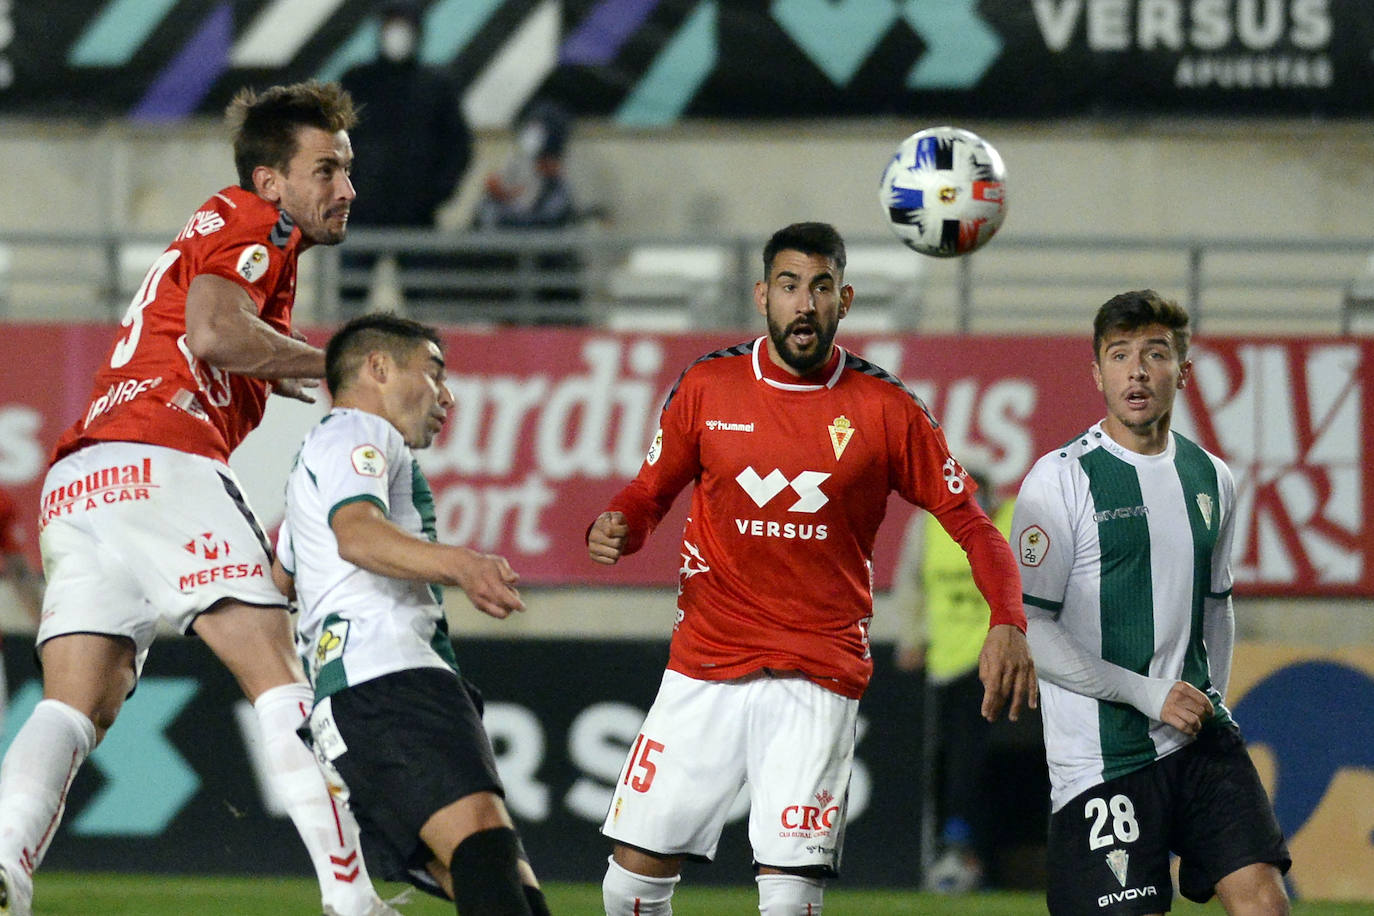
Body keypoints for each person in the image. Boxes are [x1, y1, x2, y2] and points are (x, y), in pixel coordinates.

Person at [0, 82, 400, 916]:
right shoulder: (258, 224)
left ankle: (5, 863)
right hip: (162, 459)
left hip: (83, 479)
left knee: (79, 703)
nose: (346, 188)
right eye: (325, 169)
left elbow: (220, 335)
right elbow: (214, 333)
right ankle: (352, 898)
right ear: (271, 182)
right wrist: (330, 368)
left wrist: (281, 358)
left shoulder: (230, 236)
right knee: (278, 673)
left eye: (348, 170)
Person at [586, 221, 1037, 915]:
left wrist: (1008, 620)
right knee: (628, 887)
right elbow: (650, 492)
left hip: (816, 672)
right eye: (790, 286)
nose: (805, 303)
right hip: (705, 664)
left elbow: (973, 524)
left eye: (821, 288)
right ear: (764, 295)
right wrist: (619, 523)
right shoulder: (708, 387)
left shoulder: (887, 409)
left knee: (789, 899)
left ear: (844, 299)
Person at [1012, 290, 1291, 915]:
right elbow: (1032, 630)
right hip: (1104, 762)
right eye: (1119, 355)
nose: (1137, 370)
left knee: (1266, 905)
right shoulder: (1059, 481)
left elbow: (1216, 605)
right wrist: (1147, 694)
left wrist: (1211, 698)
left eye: (1155, 354)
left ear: (1182, 372)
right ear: (1097, 374)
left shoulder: (1212, 476)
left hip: (1200, 745)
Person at [273, 312, 549, 916]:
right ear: (378, 368)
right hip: (389, 678)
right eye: (434, 374)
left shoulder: (313, 458)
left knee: (504, 885)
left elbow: (283, 576)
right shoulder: (358, 433)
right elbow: (359, 536)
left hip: (352, 700)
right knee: (483, 847)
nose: (447, 396)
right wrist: (462, 564)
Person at [891, 468, 1017, 893]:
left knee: (980, 763)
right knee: (947, 763)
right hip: (944, 664)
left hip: (1003, 661)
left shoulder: (1018, 520)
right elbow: (910, 583)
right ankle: (952, 852)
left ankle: (974, 852)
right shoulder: (927, 524)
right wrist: (911, 637)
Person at [338, 0, 473, 306]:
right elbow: (329, 142)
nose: (397, 33)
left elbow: (459, 148)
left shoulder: (436, 86)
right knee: (346, 306)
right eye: (391, 24)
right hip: (360, 216)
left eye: (405, 25)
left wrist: (434, 195)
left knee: (424, 306)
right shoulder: (357, 83)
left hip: (417, 220)